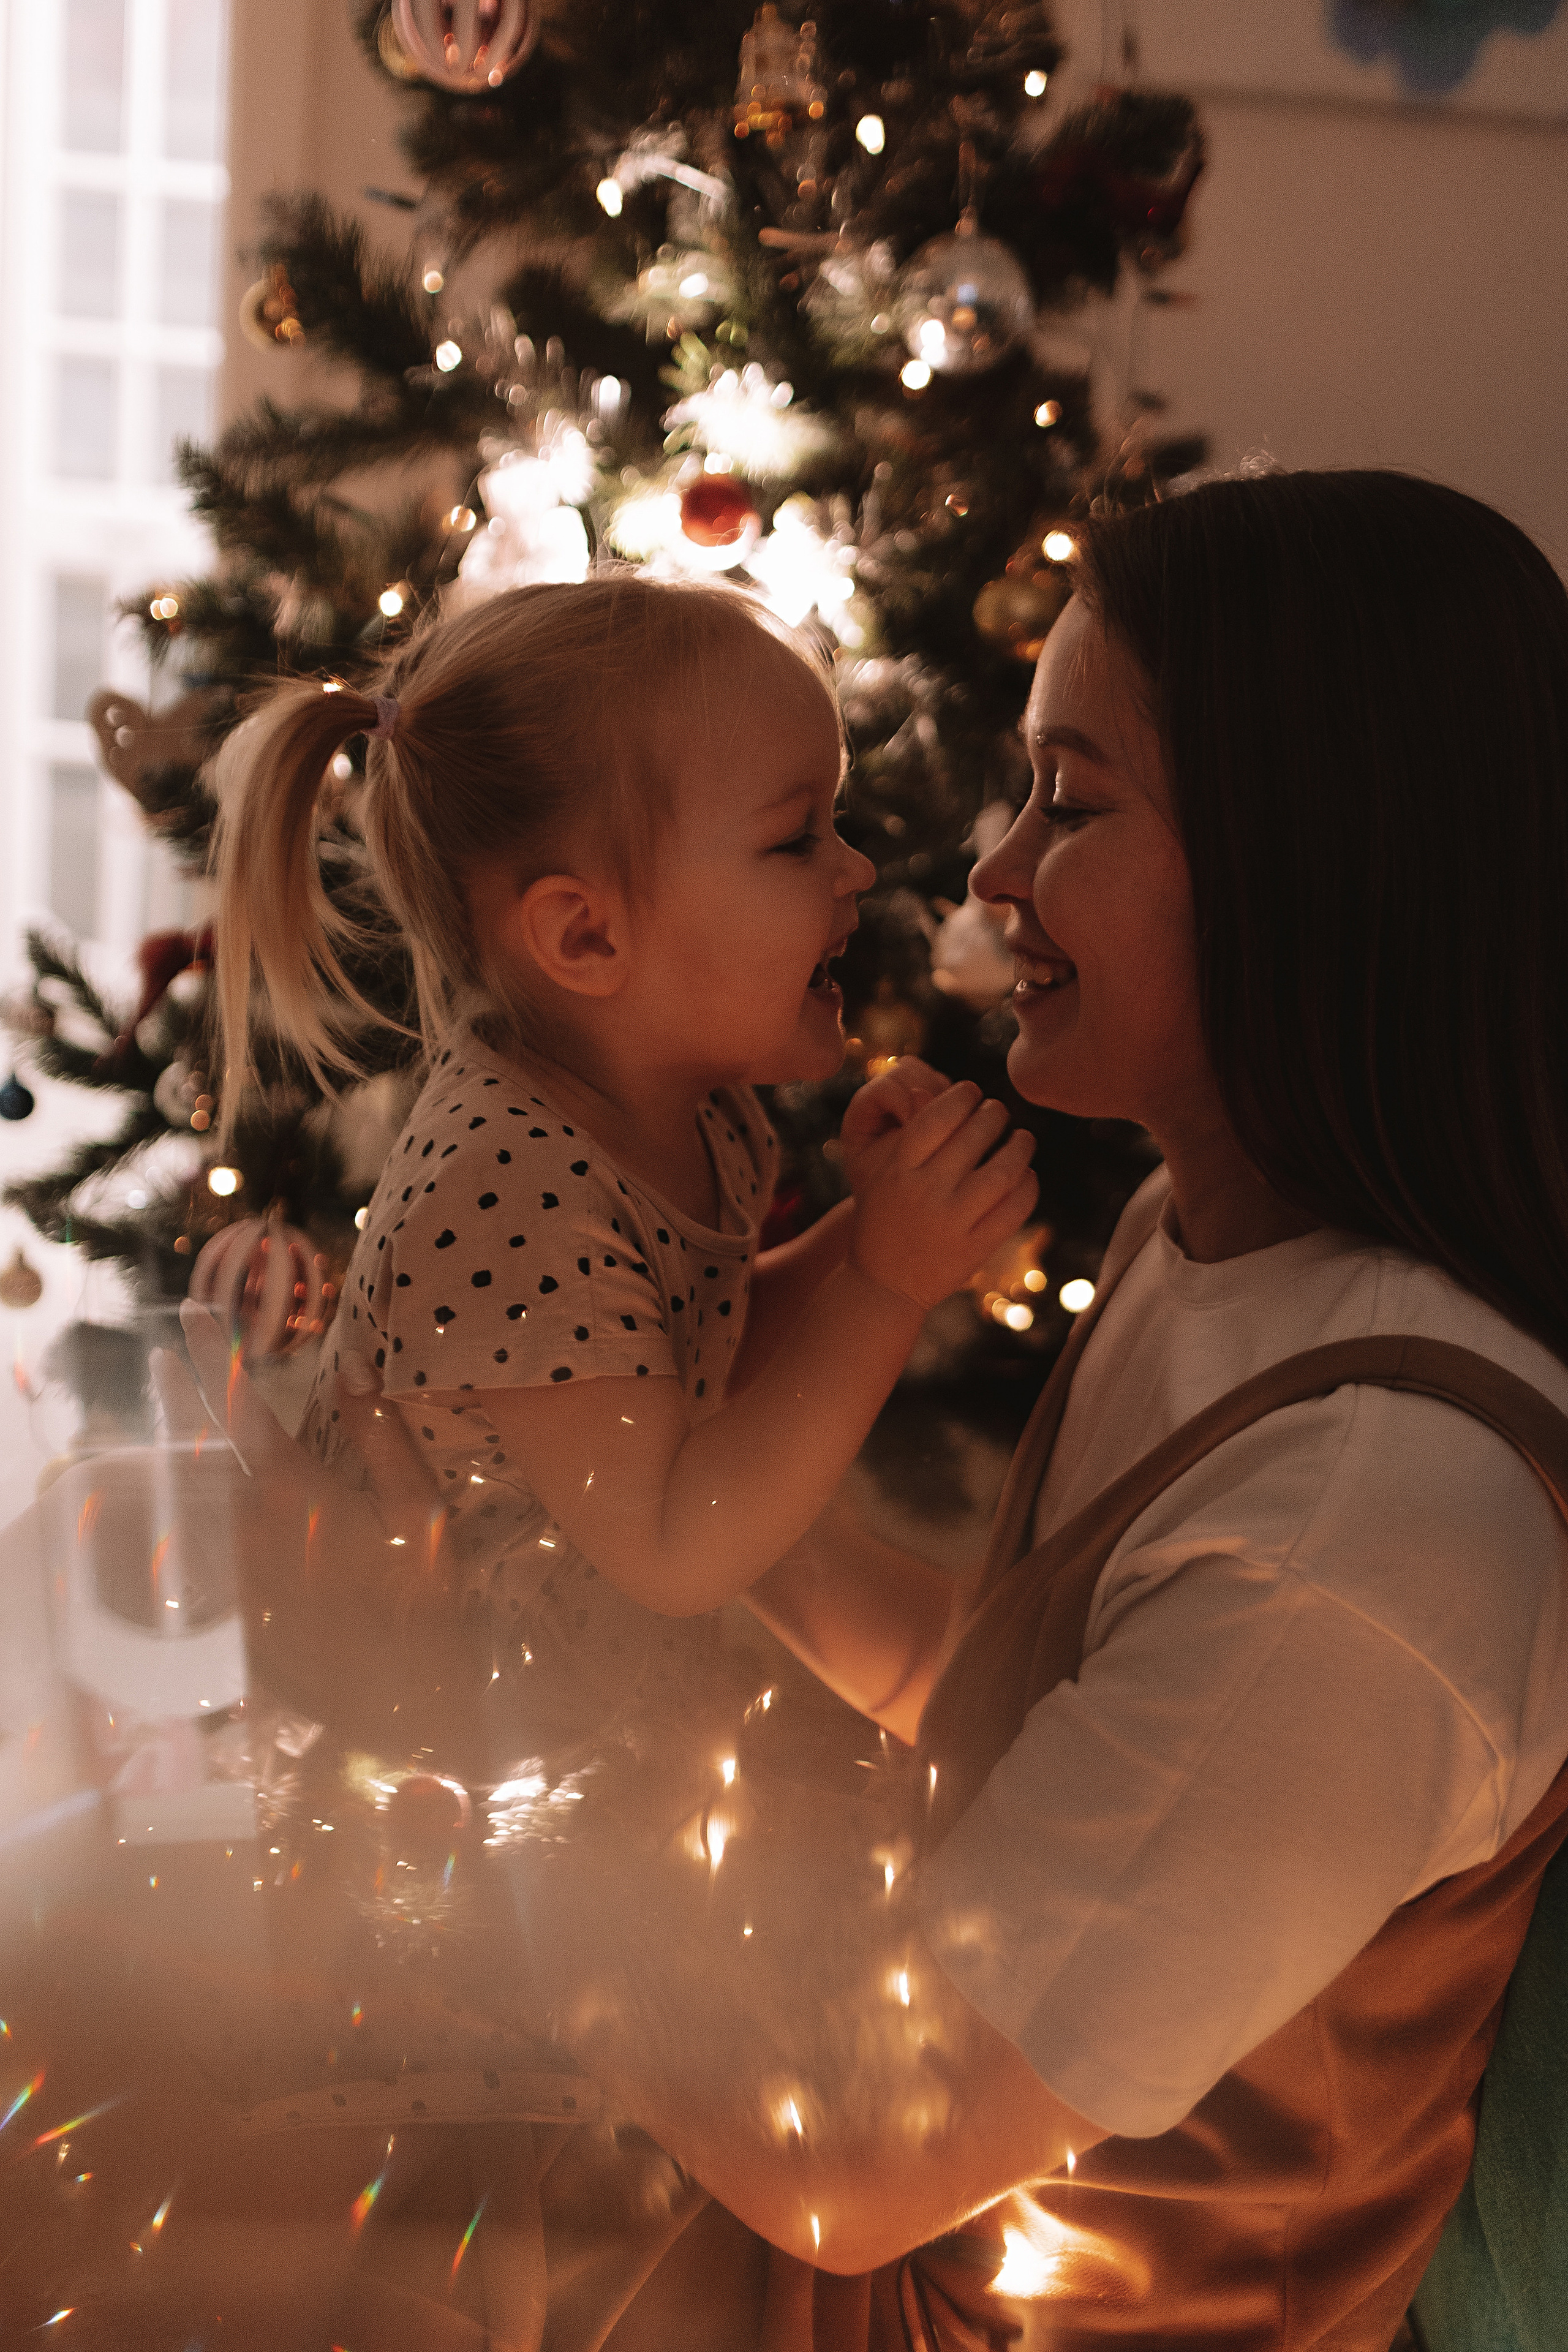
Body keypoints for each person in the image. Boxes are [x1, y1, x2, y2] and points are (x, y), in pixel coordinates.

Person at [143, 470, 1568, 2346]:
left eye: (1072, 800)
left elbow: (852, 2151)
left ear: (1319, 855)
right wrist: (565, 1499)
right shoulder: (1203, 1233)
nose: (977, 873)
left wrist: (460, 1739)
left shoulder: (1372, 1538)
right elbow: (1000, 1672)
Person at [206, 574, 1036, 1752]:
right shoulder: (503, 1186)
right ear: (587, 934)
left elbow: (700, 1341)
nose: (854, 870)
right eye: (796, 836)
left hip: (576, 1740)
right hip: (435, 1770)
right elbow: (676, 1550)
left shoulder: (698, 1117)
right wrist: (886, 1285)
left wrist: (876, 1226)